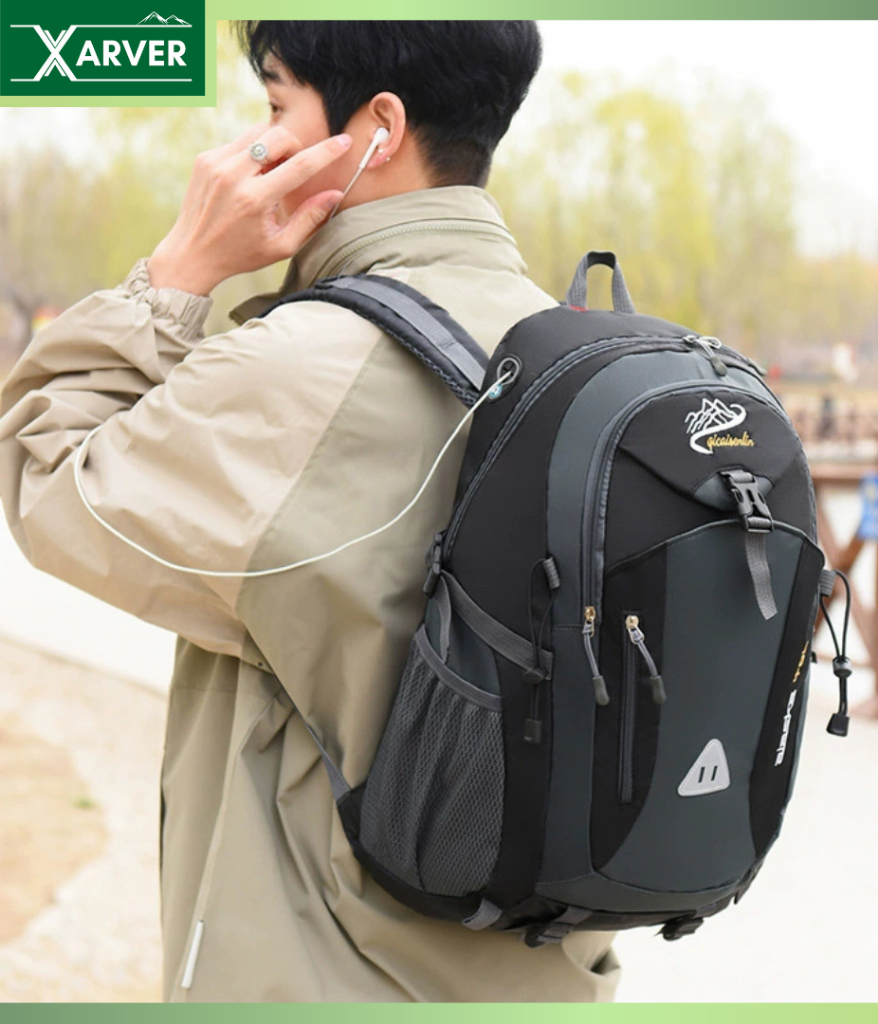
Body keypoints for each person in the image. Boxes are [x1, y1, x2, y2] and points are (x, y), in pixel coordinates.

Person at [0, 21, 619, 1002]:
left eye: (275, 106)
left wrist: (179, 270)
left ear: (377, 130)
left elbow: (46, 480)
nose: (248, 147)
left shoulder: (303, 368)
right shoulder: (579, 348)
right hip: (549, 976)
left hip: (322, 976)